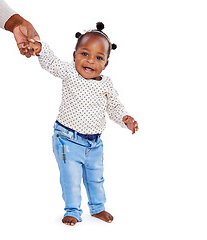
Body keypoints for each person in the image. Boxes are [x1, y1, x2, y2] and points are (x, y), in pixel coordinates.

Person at [24, 22, 138, 226]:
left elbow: (114, 106)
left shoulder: (106, 84)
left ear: (106, 64)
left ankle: (97, 208)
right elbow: (52, 63)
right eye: (85, 54)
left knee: (96, 178)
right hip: (68, 139)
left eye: (98, 57)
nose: (90, 61)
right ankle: (73, 211)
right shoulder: (70, 72)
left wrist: (125, 119)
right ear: (75, 55)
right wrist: (41, 49)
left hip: (94, 144)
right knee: (71, 179)